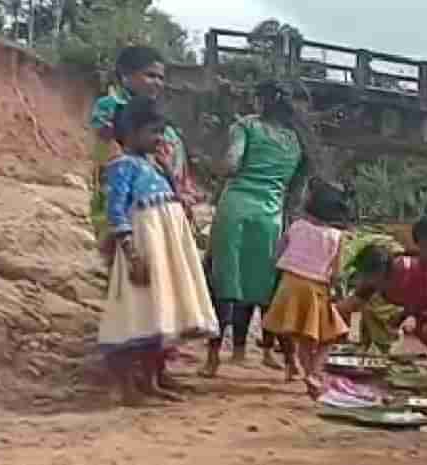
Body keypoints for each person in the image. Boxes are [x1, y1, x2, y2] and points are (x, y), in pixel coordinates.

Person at [90, 46, 201, 392]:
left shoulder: (153, 122)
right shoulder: (113, 110)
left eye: (161, 77)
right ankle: (125, 372)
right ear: (125, 75)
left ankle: (156, 370)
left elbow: (171, 163)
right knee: (130, 292)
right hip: (132, 216)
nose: (157, 82)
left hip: (162, 216)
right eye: (150, 74)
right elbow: (110, 154)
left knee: (163, 295)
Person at [96, 97, 217, 405]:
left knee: (159, 314)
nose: (160, 139)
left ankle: (150, 383)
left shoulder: (153, 166)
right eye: (153, 132)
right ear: (131, 132)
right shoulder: (121, 166)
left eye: (161, 132)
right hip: (144, 247)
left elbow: (175, 198)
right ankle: (128, 388)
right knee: (136, 312)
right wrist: (130, 250)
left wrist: (166, 169)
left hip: (165, 247)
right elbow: (116, 211)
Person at [202, 80, 313, 377]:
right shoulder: (296, 141)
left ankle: (212, 359)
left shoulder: (246, 126)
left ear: (262, 100)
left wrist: (214, 164)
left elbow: (232, 164)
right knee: (269, 291)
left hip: (235, 208)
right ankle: (291, 364)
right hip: (270, 218)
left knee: (223, 282)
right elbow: (295, 195)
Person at [262, 179, 353, 398]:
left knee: (305, 338)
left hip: (289, 285)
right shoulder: (336, 237)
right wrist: (338, 291)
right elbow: (337, 272)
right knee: (331, 335)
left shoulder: (296, 226)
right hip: (315, 288)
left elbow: (276, 254)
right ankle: (314, 372)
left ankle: (310, 376)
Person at [340, 220, 427, 369]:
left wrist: (407, 316)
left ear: (382, 273)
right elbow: (349, 305)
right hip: (418, 305)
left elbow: (423, 300)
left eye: (369, 278)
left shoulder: (407, 272)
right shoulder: (371, 280)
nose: (366, 281)